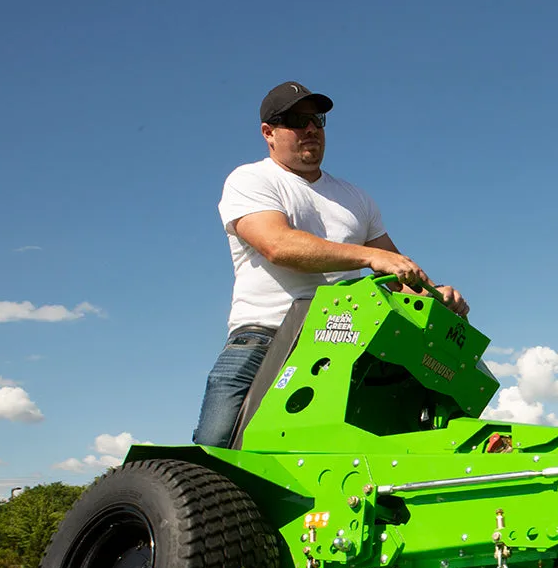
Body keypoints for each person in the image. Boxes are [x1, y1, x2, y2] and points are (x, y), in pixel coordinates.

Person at [192, 81, 468, 448]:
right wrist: (369, 256)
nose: (310, 129)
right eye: (295, 119)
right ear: (268, 133)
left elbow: (397, 269)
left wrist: (435, 295)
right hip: (264, 336)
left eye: (317, 120)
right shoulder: (250, 180)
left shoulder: (355, 197)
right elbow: (277, 245)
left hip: (343, 343)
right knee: (214, 454)